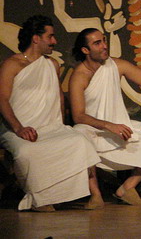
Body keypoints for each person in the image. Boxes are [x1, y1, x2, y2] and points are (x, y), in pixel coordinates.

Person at [0, 15, 102, 211]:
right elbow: (2, 99)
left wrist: (61, 125)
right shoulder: (11, 64)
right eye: (50, 36)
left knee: (80, 141)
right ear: (36, 38)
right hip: (17, 128)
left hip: (50, 126)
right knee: (27, 152)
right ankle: (41, 198)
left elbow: (58, 98)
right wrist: (19, 128)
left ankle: (95, 195)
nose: (54, 41)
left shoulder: (52, 64)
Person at [69, 28, 141, 205]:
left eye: (104, 40)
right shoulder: (79, 76)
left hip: (120, 126)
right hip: (92, 129)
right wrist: (109, 126)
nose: (104, 46)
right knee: (79, 136)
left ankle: (126, 188)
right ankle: (95, 194)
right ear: (85, 50)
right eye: (97, 43)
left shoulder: (116, 65)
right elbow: (78, 116)